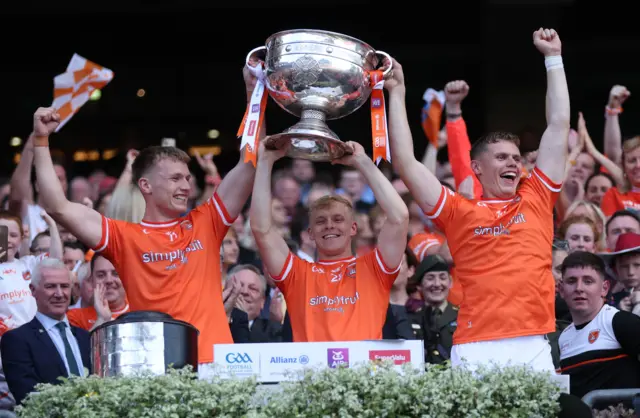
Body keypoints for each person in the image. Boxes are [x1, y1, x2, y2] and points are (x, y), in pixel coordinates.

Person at [28, 65, 261, 376]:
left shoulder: (207, 222)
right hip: (155, 375)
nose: (186, 186)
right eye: (176, 178)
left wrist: (253, 95)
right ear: (146, 186)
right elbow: (57, 205)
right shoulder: (122, 236)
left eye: (188, 179)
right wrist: (41, 141)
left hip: (215, 368)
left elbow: (249, 162)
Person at [386, 28, 569, 371]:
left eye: (516, 158)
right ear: (476, 168)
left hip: (532, 342)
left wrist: (553, 58)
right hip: (475, 344)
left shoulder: (537, 196)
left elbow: (558, 124)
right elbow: (406, 163)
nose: (513, 163)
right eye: (501, 158)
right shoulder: (458, 209)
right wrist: (397, 92)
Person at [250, 141, 409, 341]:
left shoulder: (375, 268)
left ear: (353, 228)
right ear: (310, 233)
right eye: (320, 221)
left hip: (365, 371)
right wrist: (264, 162)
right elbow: (261, 229)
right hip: (311, 372)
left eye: (338, 219)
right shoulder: (297, 274)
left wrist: (362, 162)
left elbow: (400, 217)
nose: (329, 225)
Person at [1, 259, 90, 405]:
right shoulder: (16, 340)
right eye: (50, 286)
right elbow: (27, 396)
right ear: (33, 290)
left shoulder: (85, 338)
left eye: (64, 286)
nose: (59, 294)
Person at [557, 251, 640, 399]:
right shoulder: (563, 337)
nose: (579, 288)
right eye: (571, 281)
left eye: (588, 281)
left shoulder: (618, 321)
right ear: (561, 290)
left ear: (604, 288)